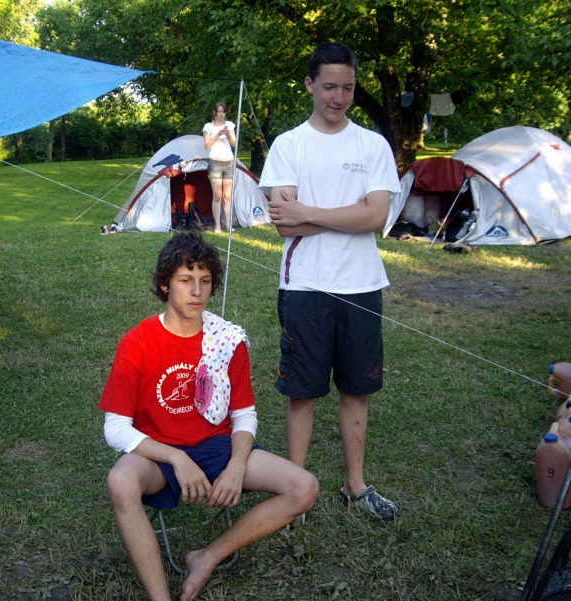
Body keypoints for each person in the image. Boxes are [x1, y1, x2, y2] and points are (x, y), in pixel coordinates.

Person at [99, 232, 318, 601]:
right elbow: (116, 428)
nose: (196, 291)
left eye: (205, 280)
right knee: (120, 481)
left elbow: (244, 415)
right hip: (158, 453)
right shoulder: (138, 343)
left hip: (217, 445)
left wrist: (236, 465)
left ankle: (208, 556)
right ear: (165, 284)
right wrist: (176, 457)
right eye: (185, 280)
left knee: (304, 487)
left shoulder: (226, 340)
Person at [258, 42, 401, 521]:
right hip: (305, 285)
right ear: (309, 85)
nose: (339, 98)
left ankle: (355, 485)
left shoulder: (372, 145)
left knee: (357, 388)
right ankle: (295, 492)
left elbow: (376, 217)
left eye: (348, 88)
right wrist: (349, 215)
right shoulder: (289, 145)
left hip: (361, 284)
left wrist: (309, 212)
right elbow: (285, 225)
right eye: (329, 87)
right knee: (303, 391)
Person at [202, 102, 237, 233]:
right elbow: (207, 145)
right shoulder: (208, 127)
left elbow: (234, 144)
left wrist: (228, 135)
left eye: (223, 112)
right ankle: (217, 225)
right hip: (215, 162)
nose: (221, 114)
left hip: (229, 162)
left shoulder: (230, 125)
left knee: (227, 196)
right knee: (217, 196)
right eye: (219, 112)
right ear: (215, 113)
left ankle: (228, 224)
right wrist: (218, 135)